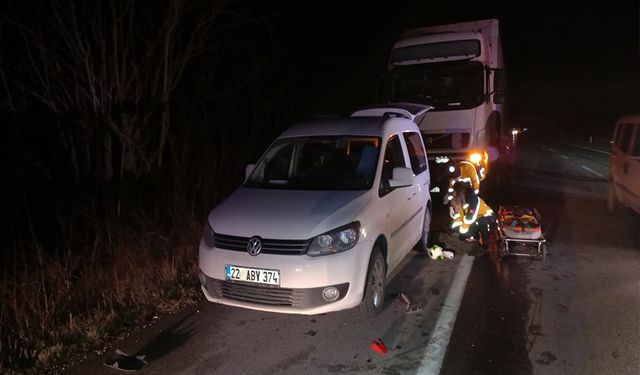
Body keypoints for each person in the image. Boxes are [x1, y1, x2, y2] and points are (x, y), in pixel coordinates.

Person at [449, 180, 495, 248]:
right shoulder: (461, 199)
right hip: (476, 218)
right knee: (465, 229)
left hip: (486, 216)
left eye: (455, 192)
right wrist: (456, 231)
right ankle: (474, 238)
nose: (454, 194)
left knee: (482, 223)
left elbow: (469, 218)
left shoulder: (473, 200)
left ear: (461, 191)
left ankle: (486, 246)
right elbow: (459, 217)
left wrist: (464, 234)